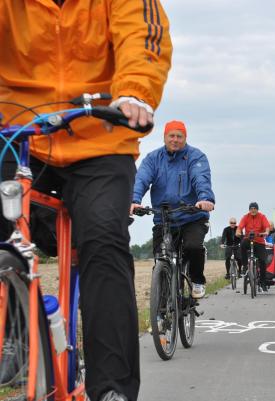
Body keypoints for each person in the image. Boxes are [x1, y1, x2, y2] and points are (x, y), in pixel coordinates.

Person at [0, 2, 172, 401]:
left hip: (100, 133)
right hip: (19, 130)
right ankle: (14, 334)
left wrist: (135, 92)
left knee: (103, 239)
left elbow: (142, 36)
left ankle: (112, 388)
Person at [131, 120, 215, 299]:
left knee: (193, 247)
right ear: (164, 137)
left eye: (179, 136)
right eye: (171, 136)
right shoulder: (153, 159)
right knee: (160, 257)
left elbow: (200, 178)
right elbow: (142, 179)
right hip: (164, 217)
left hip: (192, 215)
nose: (175, 140)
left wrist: (205, 198)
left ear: (185, 138)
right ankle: (163, 303)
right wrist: (134, 200)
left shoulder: (196, 157)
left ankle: (197, 280)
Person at [236, 202, 270, 292]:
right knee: (242, 245)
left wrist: (266, 232)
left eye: (255, 208)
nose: (253, 210)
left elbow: (267, 227)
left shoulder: (262, 216)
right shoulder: (245, 217)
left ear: (257, 209)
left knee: (263, 261)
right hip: (248, 239)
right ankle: (245, 266)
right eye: (251, 209)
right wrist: (238, 232)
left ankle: (263, 282)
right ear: (249, 210)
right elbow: (239, 227)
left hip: (259, 241)